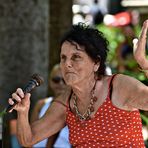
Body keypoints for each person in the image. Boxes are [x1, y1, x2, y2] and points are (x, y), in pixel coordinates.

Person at [8, 20, 148, 147]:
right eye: (63, 58)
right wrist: (23, 111)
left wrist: (143, 62)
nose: (67, 64)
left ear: (96, 63)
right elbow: (28, 139)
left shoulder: (117, 86)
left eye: (76, 57)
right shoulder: (66, 101)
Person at [30, 64, 71, 148]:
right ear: (50, 82)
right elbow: (29, 135)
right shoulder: (41, 104)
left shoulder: (77, 107)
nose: (60, 83)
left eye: (64, 80)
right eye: (56, 80)